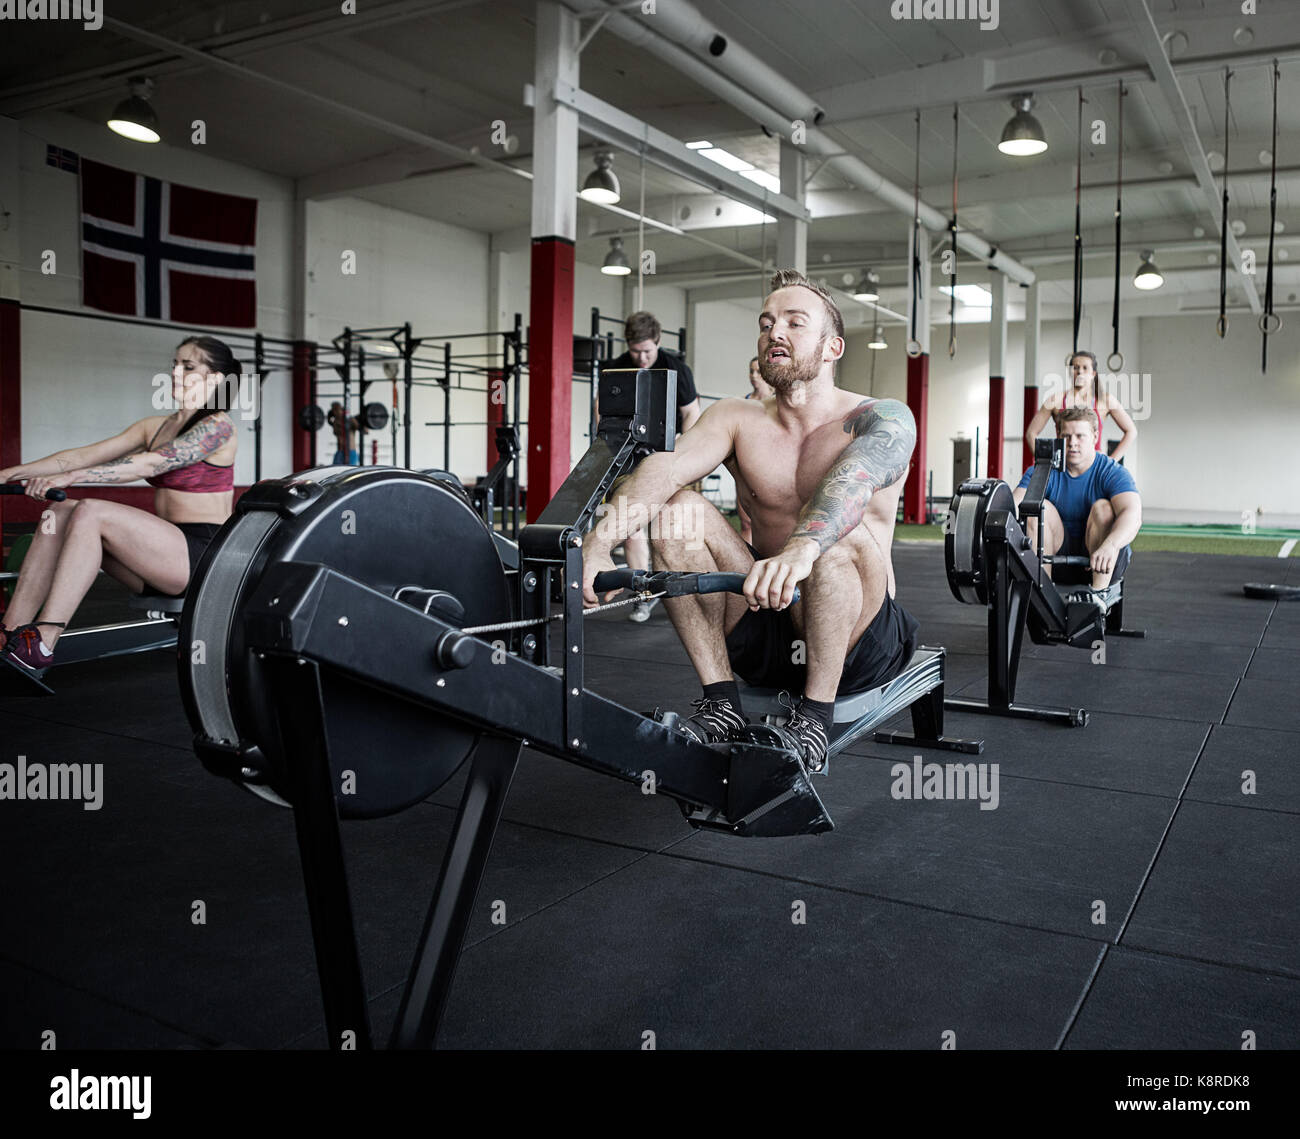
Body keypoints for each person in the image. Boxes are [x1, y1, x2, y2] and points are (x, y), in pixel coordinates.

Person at [582, 269, 919, 773]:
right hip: (764, 624)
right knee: (679, 512)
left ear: (833, 348)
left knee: (834, 536)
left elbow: (850, 484)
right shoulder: (735, 417)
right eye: (766, 323)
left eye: (794, 322)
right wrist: (597, 543)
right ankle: (722, 703)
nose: (774, 332)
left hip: (857, 641)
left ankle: (814, 721)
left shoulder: (882, 417)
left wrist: (801, 550)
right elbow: (665, 468)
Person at [0, 336, 240, 680]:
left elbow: (149, 466)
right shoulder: (154, 426)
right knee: (58, 513)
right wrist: (9, 474)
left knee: (90, 511)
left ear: (216, 378)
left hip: (202, 556)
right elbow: (81, 455)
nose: (175, 372)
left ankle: (43, 642)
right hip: (158, 557)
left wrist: (73, 476)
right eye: (174, 364)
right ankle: (10, 632)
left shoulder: (218, 427)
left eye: (188, 366)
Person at [597, 312, 701, 622]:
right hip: (628, 455)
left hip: (668, 453)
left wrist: (679, 450)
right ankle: (643, 595)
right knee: (631, 525)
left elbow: (692, 413)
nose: (641, 358)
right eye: (635, 351)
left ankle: (679, 592)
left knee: (671, 526)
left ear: (657, 342)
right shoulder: (615, 368)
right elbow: (601, 414)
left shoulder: (676, 369)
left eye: (647, 351)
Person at [1013, 407, 1142, 613]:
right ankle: (1042, 596)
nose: (1072, 443)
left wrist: (1111, 544)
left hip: (1102, 560)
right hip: (1054, 564)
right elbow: (1014, 504)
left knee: (1104, 508)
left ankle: (1098, 598)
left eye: (1080, 436)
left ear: (1095, 436)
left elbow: (1133, 514)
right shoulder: (1043, 470)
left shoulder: (1111, 471)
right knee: (1037, 507)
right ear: (1058, 436)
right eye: (1067, 436)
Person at [1024, 350, 1138, 462]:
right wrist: (1046, 462)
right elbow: (1031, 433)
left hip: (1093, 467)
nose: (1080, 372)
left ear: (1093, 374)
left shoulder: (1104, 400)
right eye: (1075, 367)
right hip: (1065, 466)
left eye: (1085, 368)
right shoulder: (1056, 400)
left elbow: (1131, 431)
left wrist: (1111, 462)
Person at [737, 356, 773, 544]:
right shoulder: (744, 401)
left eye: (758, 371)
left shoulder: (776, 401)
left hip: (769, 466)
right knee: (746, 522)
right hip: (745, 464)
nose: (754, 375)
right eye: (751, 371)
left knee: (768, 523)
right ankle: (744, 567)